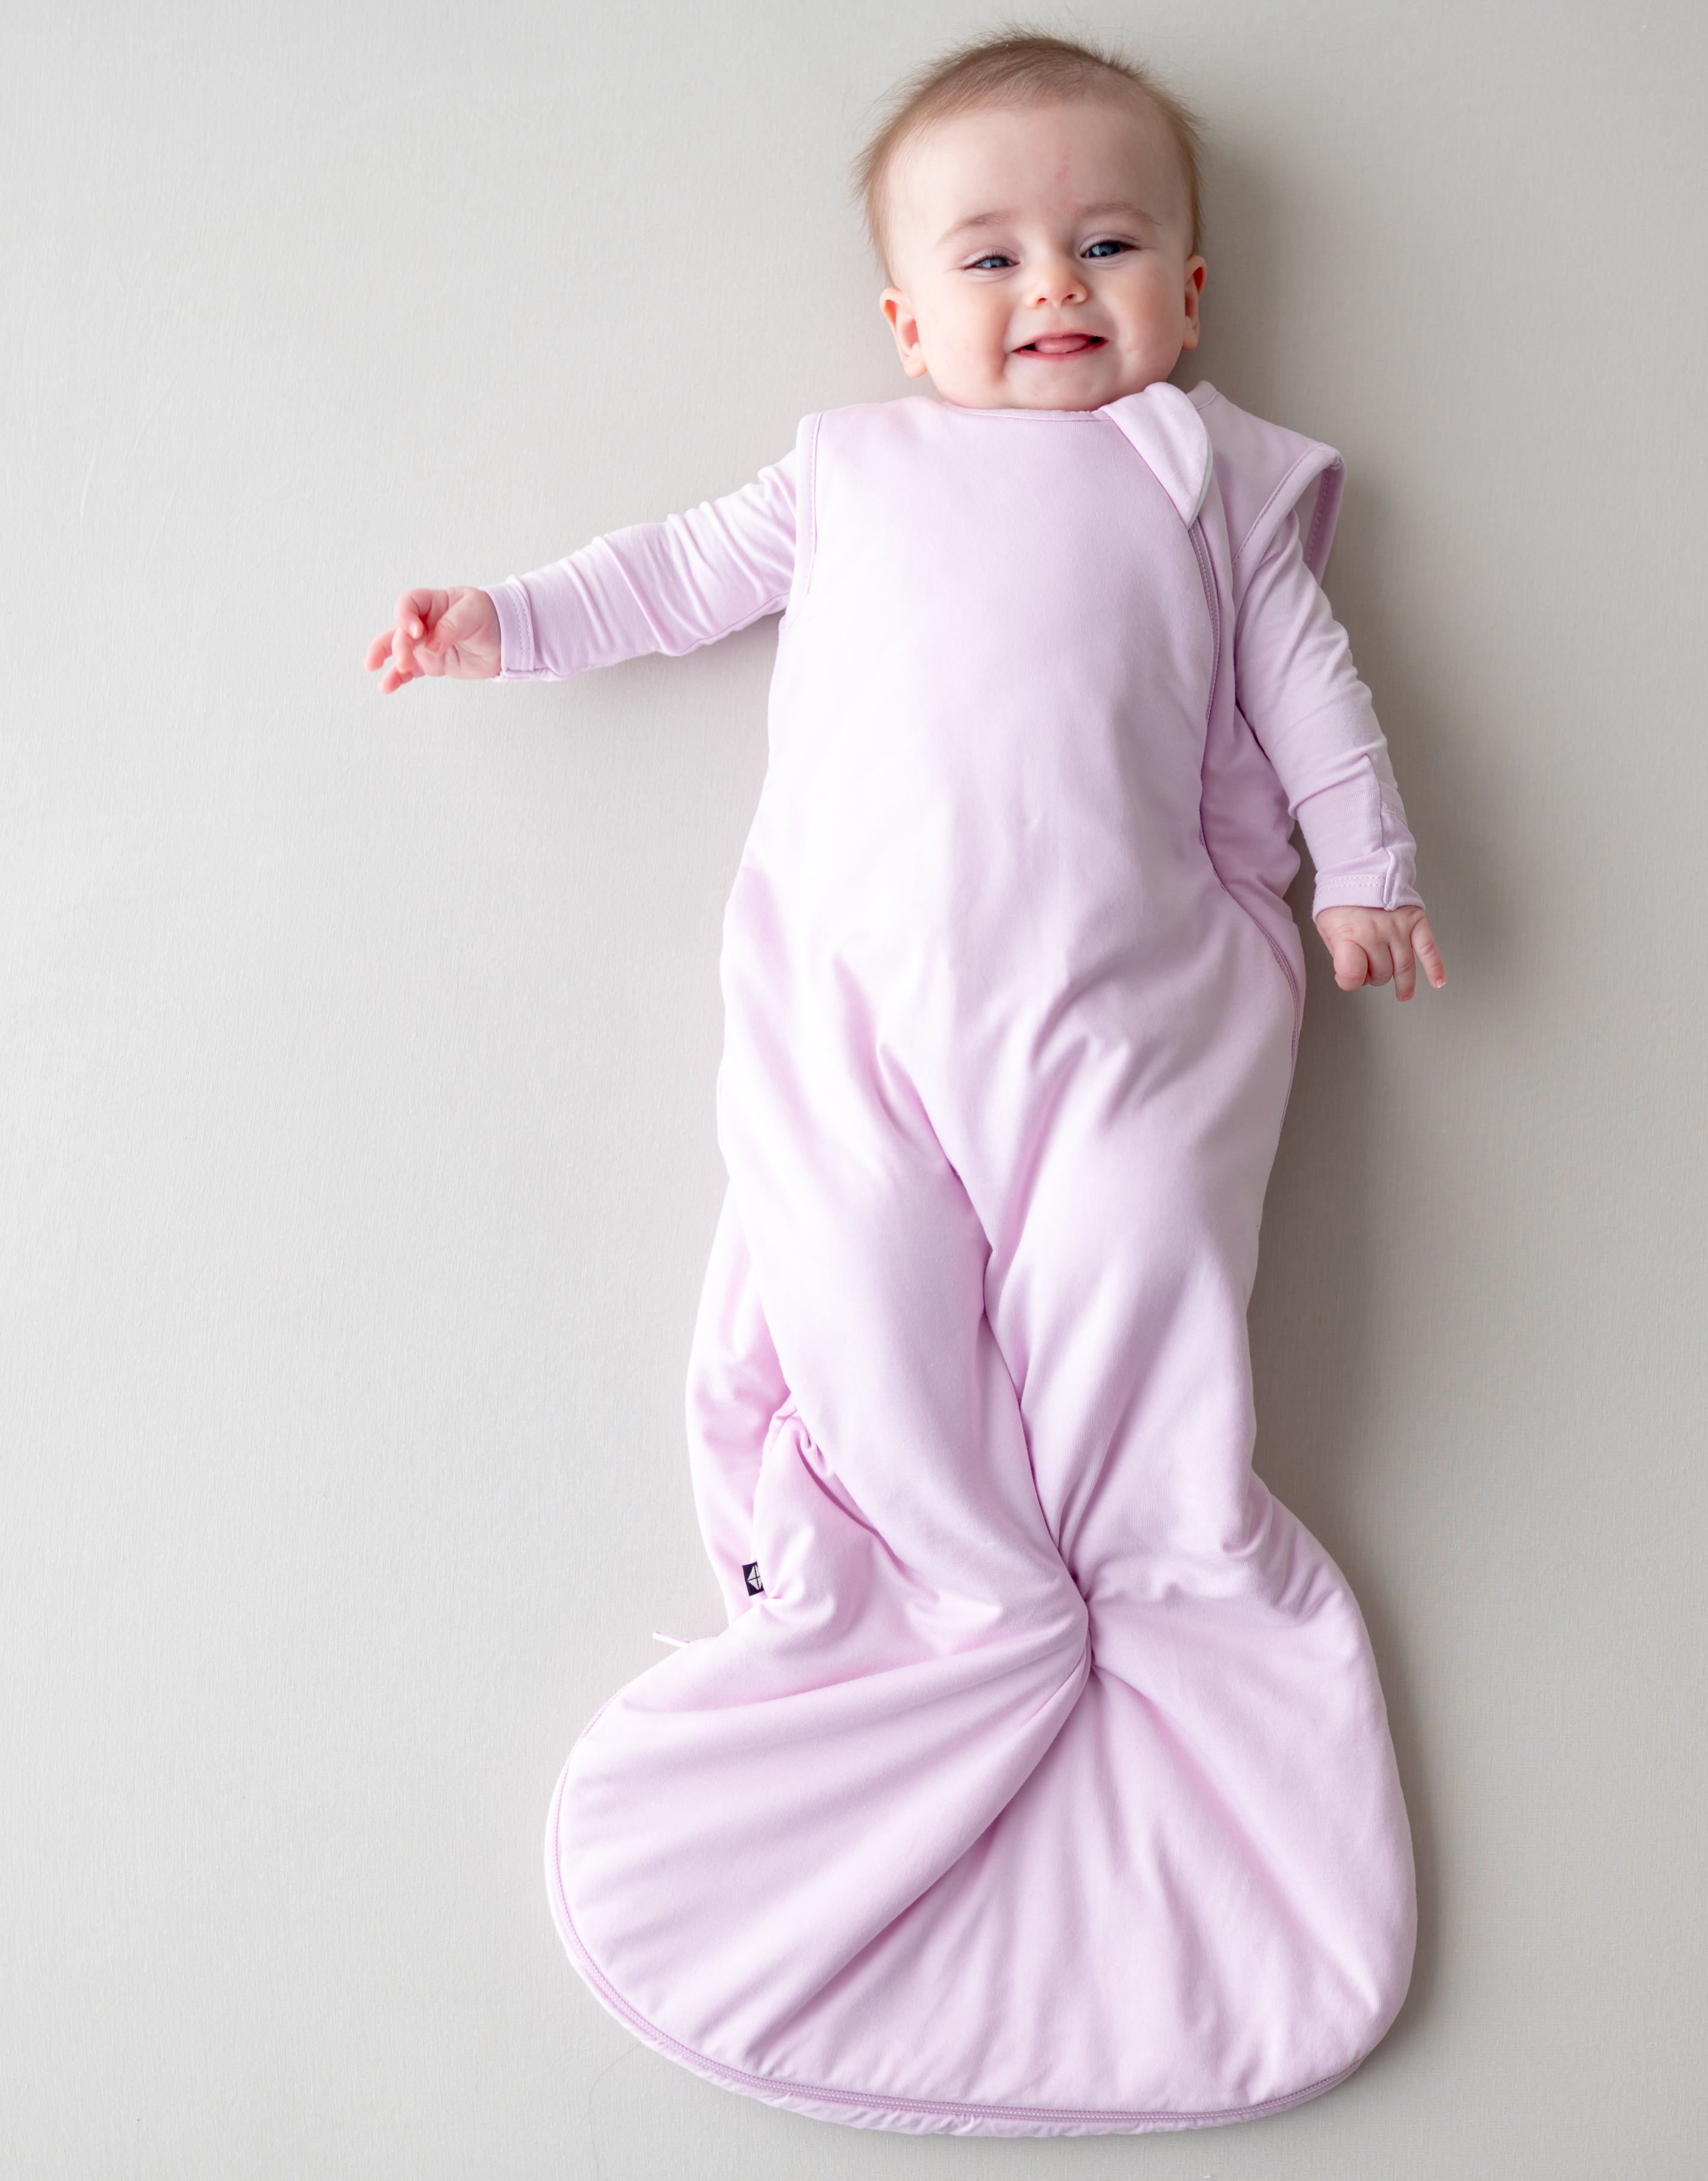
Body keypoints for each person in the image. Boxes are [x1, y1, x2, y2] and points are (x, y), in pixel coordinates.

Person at [365, 30, 1433, 2140]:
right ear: (905, 319)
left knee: (1138, 1266)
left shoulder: (1205, 474)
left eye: (1109, 245)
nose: (1056, 287)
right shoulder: (846, 473)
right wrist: (502, 622)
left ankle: (1147, 1571)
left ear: (1189, 291)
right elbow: (672, 577)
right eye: (994, 254)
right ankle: (951, 1596)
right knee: (854, 1280)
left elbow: (1313, 685)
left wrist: (1371, 871)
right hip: (862, 1006)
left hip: (1133, 1009)